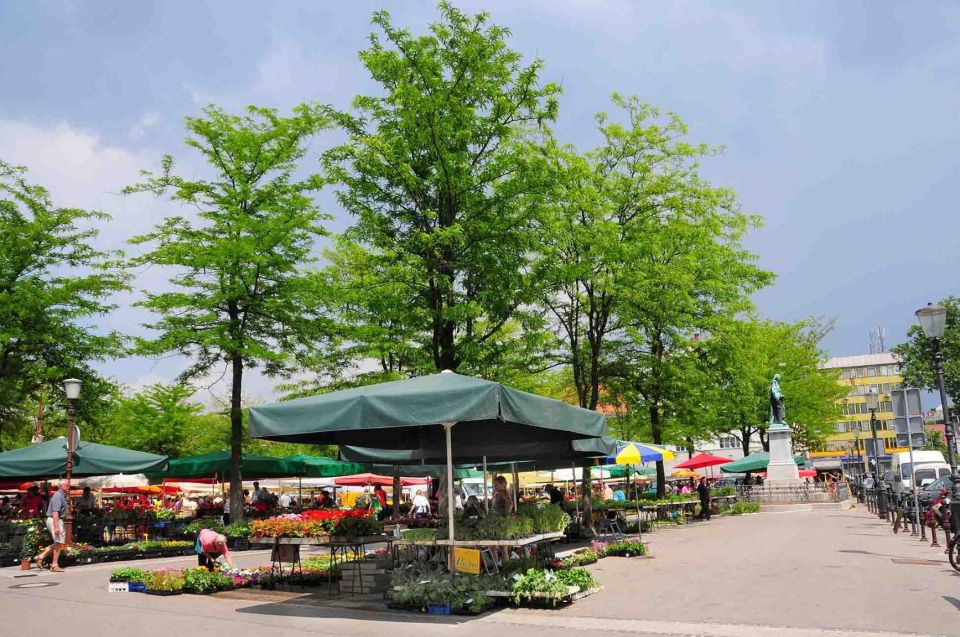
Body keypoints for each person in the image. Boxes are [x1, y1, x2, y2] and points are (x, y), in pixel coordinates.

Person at [34, 480, 68, 572]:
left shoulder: (61, 495)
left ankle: (41, 556)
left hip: (56, 520)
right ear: (61, 486)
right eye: (67, 485)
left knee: (59, 542)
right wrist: (56, 526)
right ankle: (54, 565)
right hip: (55, 520)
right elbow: (55, 512)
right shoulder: (58, 496)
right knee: (58, 542)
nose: (68, 487)